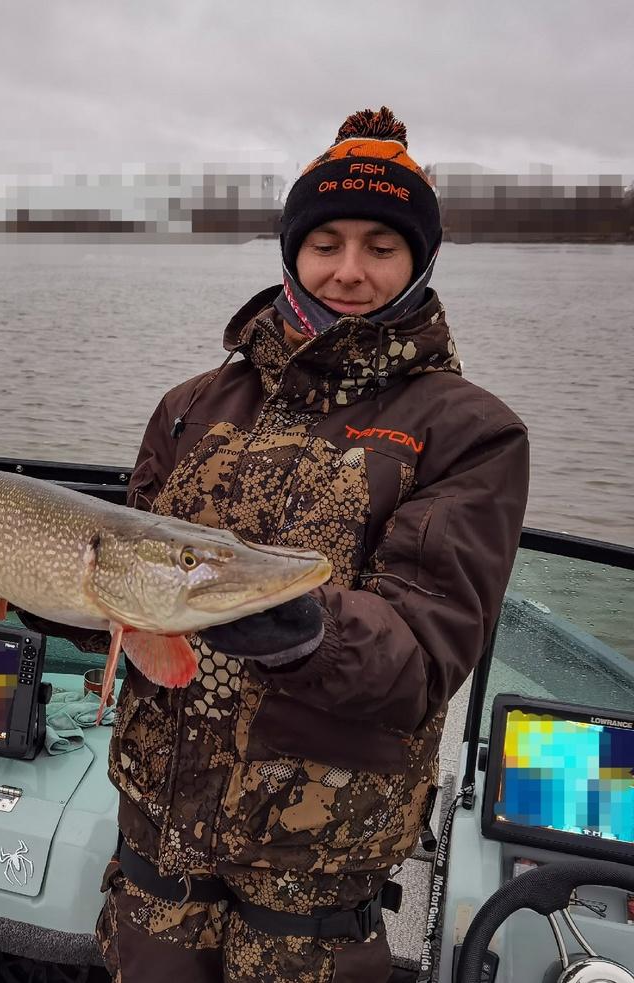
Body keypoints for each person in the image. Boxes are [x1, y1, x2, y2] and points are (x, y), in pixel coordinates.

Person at [90, 107, 530, 981]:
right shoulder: (189, 405)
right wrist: (33, 582)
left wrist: (301, 626)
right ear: (292, 250)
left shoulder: (468, 431)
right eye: (325, 241)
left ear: (420, 261)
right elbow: (117, 603)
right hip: (157, 831)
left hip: (317, 866)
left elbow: (426, 651)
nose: (349, 271)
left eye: (381, 246)